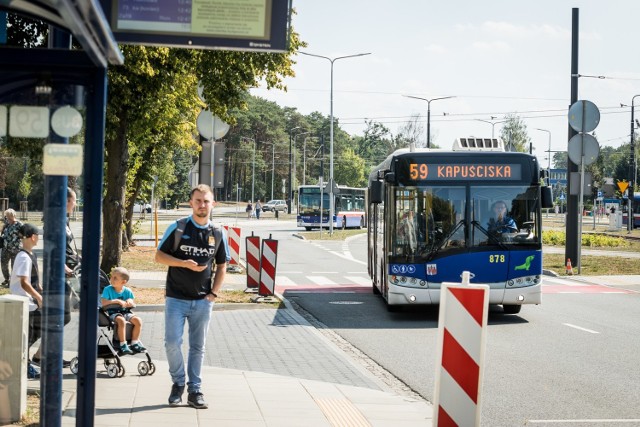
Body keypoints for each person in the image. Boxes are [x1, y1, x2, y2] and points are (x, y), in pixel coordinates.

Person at [155, 184, 229, 409]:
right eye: (198, 201)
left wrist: (214, 293)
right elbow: (159, 256)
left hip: (202, 301)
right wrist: (182, 263)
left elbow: (222, 265)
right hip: (176, 298)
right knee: (171, 343)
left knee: (198, 347)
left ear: (213, 204)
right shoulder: (178, 227)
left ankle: (195, 390)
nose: (202, 205)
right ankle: (178, 384)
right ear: (191, 203)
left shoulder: (217, 233)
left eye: (206, 201)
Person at [9, 223, 43, 378]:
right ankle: (24, 363)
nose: (39, 238)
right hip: (25, 303)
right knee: (29, 336)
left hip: (29, 302)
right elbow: (24, 282)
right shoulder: (23, 257)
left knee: (31, 334)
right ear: (33, 237)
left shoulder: (29, 254)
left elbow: (32, 280)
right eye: (38, 235)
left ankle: (25, 362)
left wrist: (41, 291)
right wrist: (38, 296)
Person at [100, 267, 146, 355]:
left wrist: (129, 301)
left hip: (125, 312)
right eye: (111, 277)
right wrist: (117, 301)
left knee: (138, 321)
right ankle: (123, 344)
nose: (111, 279)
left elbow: (131, 301)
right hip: (113, 313)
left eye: (115, 278)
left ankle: (134, 342)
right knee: (121, 321)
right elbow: (104, 303)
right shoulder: (108, 289)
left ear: (123, 282)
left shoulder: (128, 291)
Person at [1, 209, 23, 287]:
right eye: (7, 216)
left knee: (14, 266)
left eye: (9, 216)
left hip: (15, 248)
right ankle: (7, 278)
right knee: (3, 264)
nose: (8, 218)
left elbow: (22, 236)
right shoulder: (7, 224)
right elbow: (2, 232)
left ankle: (13, 282)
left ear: (13, 215)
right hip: (5, 248)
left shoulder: (19, 224)